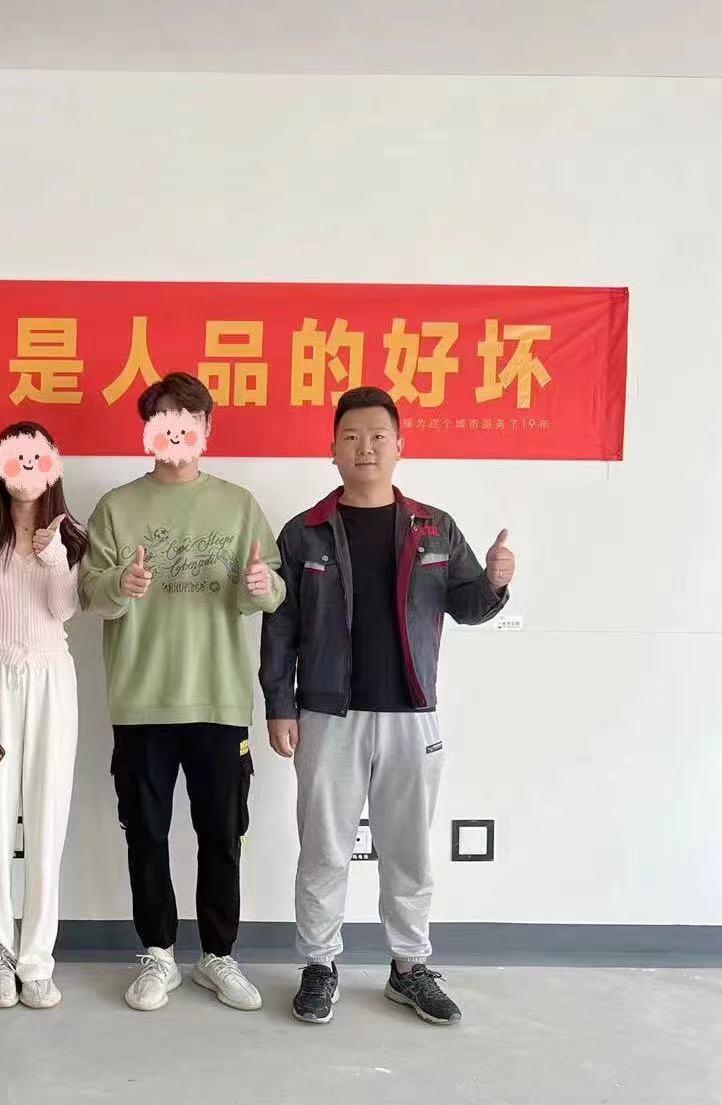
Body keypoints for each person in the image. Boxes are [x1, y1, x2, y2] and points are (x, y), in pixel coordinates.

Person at [260, 386, 515, 1027]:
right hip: (327, 715)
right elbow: (280, 624)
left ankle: (409, 966)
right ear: (333, 448)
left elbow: (468, 607)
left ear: (400, 445)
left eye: (378, 436)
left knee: (409, 851)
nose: (365, 447)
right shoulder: (305, 533)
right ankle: (320, 965)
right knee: (324, 850)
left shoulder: (434, 527)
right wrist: (279, 704)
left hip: (412, 714)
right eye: (352, 436)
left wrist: (495, 582)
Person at [78, 372, 285, 1014]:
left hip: (219, 699)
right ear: (148, 432)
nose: (175, 429)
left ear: (206, 429)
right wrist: (121, 584)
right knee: (146, 833)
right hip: (142, 700)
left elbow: (271, 589)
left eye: (187, 418)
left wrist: (261, 586)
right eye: (163, 418)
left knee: (222, 834)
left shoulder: (239, 505)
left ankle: (218, 956)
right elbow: (89, 593)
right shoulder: (116, 507)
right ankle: (158, 953)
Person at [0, 422, 89, 1011]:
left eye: (37, 457)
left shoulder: (71, 537)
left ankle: (36, 960)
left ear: (52, 465)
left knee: (46, 823)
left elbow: (63, 610)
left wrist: (55, 555)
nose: (26, 468)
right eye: (14, 457)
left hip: (52, 682)